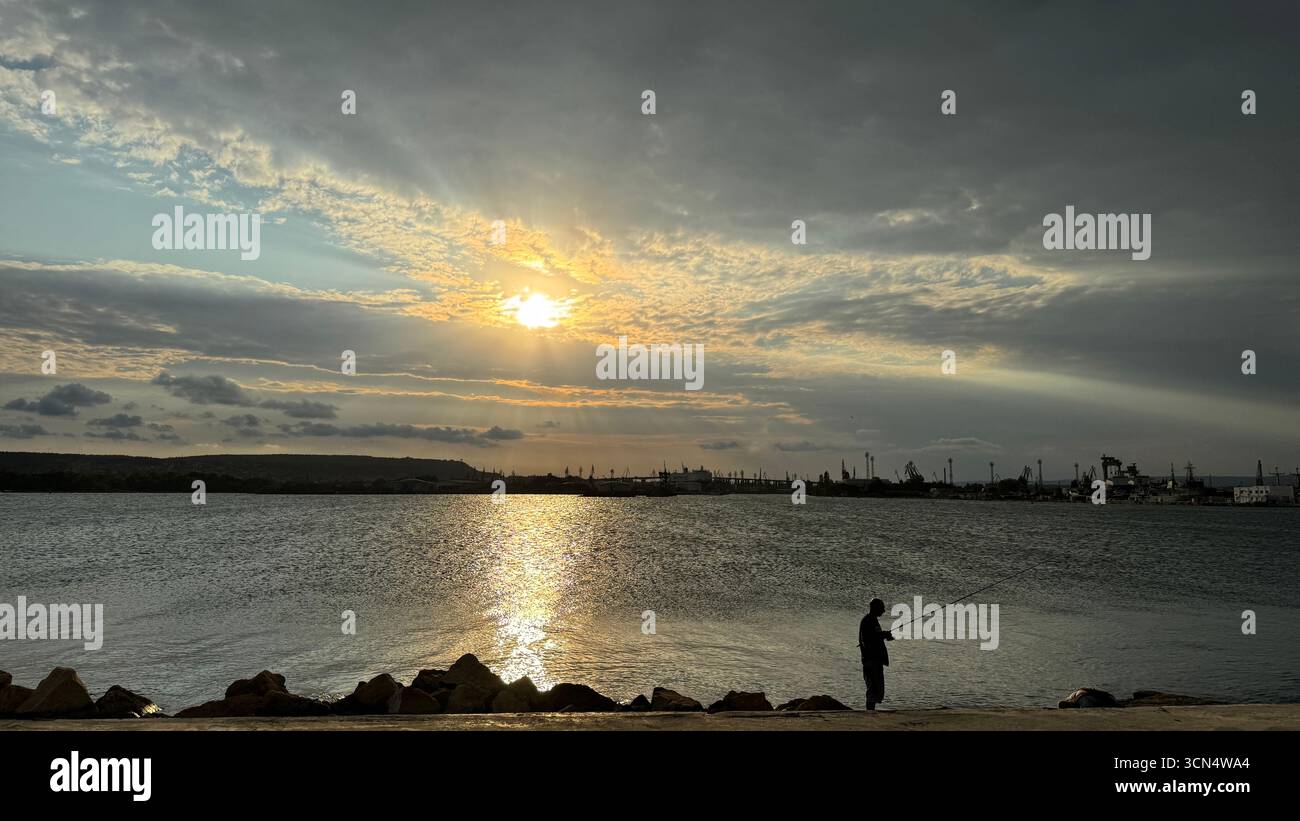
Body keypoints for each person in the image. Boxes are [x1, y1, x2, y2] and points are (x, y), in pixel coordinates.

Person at [858, 597, 894, 710]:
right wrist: (883, 635)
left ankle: (871, 712)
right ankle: (869, 714)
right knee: (872, 689)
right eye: (881, 608)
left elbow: (874, 636)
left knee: (876, 689)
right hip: (870, 661)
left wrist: (884, 635)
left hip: (875, 660)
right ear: (875, 608)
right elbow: (869, 639)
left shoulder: (872, 620)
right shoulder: (868, 620)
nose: (883, 611)